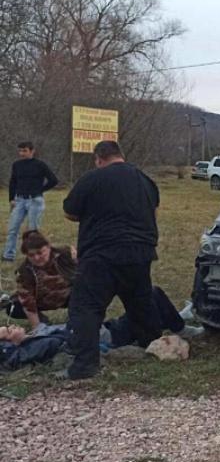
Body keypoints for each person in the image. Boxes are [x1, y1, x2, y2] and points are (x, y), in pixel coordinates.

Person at [62, 140, 162, 380]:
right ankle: (153, 345)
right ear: (121, 155)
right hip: (140, 252)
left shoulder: (92, 178)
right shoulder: (144, 180)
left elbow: (69, 211)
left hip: (101, 255)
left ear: (99, 158)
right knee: (141, 301)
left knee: (86, 307)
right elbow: (155, 210)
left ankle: (85, 365)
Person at [1, 287, 201, 372]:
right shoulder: (33, 345)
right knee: (151, 295)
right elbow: (60, 342)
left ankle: (179, 320)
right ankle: (180, 325)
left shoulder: (36, 334)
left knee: (149, 298)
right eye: (9, 331)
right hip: (116, 336)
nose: (13, 326)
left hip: (109, 328)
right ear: (13, 342)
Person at [2, 230, 77, 329]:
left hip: (69, 295)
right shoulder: (24, 272)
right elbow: (28, 303)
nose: (37, 258)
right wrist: (39, 328)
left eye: (40, 252)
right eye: (31, 255)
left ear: (48, 247)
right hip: (42, 299)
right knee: (14, 307)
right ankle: (44, 323)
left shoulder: (66, 254)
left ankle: (78, 320)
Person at [3, 142, 59, 261]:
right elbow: (13, 181)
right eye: (20, 151)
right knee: (13, 228)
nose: (22, 153)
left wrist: (40, 190)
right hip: (19, 200)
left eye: (25, 151)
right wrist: (11, 198)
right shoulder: (16, 165)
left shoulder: (40, 165)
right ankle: (8, 255)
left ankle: (35, 256)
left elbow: (53, 180)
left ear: (32, 151)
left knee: (33, 231)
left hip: (35, 200)